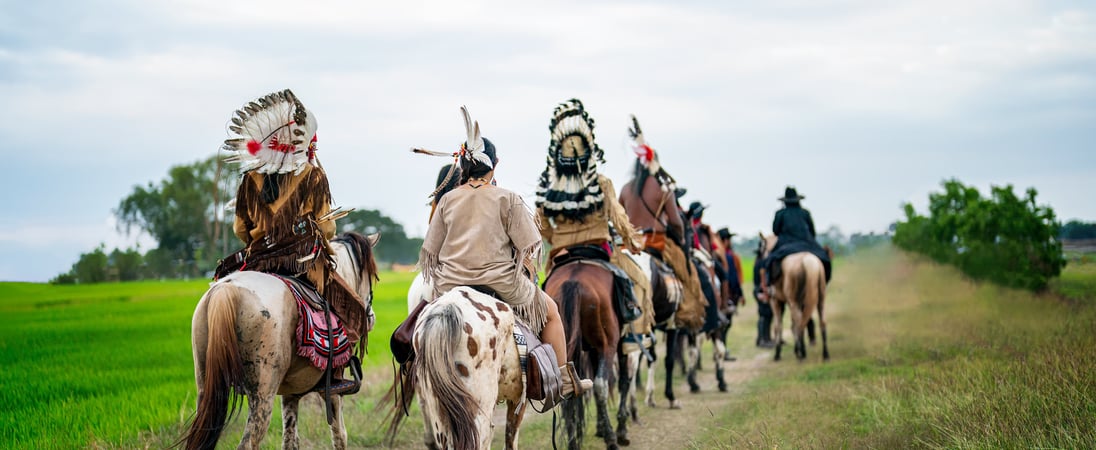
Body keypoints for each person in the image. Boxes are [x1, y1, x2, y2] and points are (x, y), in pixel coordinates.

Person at [419, 107, 592, 398]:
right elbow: (530, 246)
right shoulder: (507, 198)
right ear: (494, 166)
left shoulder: (447, 199)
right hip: (501, 285)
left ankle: (417, 371)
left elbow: (430, 252)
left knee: (422, 319)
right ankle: (562, 379)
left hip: (450, 286)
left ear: (463, 165)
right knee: (551, 313)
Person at [220, 88, 370, 394]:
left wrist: (261, 240)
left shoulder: (250, 178)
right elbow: (327, 230)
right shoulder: (313, 175)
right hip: (303, 262)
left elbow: (240, 228)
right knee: (350, 309)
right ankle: (333, 374)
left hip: (257, 261)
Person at [534, 99, 653, 339]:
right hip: (599, 251)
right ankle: (633, 338)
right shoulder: (601, 183)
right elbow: (619, 218)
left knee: (540, 297)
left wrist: (557, 238)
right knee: (640, 282)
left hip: (561, 254)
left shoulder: (547, 186)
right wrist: (632, 242)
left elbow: (541, 225)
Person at [758, 186, 833, 298]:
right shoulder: (805, 213)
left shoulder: (780, 213)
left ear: (785, 201)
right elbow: (812, 232)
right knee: (825, 260)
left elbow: (775, 231)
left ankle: (769, 287)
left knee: (769, 261)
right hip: (807, 243)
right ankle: (822, 285)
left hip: (785, 244)